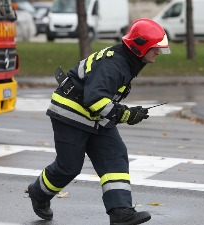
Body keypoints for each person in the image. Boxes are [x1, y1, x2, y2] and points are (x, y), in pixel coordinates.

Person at [27, 18, 170, 225]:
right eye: (155, 48)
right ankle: (38, 193)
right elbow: (95, 99)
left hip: (96, 117)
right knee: (69, 167)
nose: (158, 52)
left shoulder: (127, 61)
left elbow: (99, 102)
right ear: (140, 47)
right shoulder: (114, 64)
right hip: (71, 114)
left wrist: (124, 113)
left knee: (114, 155)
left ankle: (121, 212)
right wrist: (127, 115)